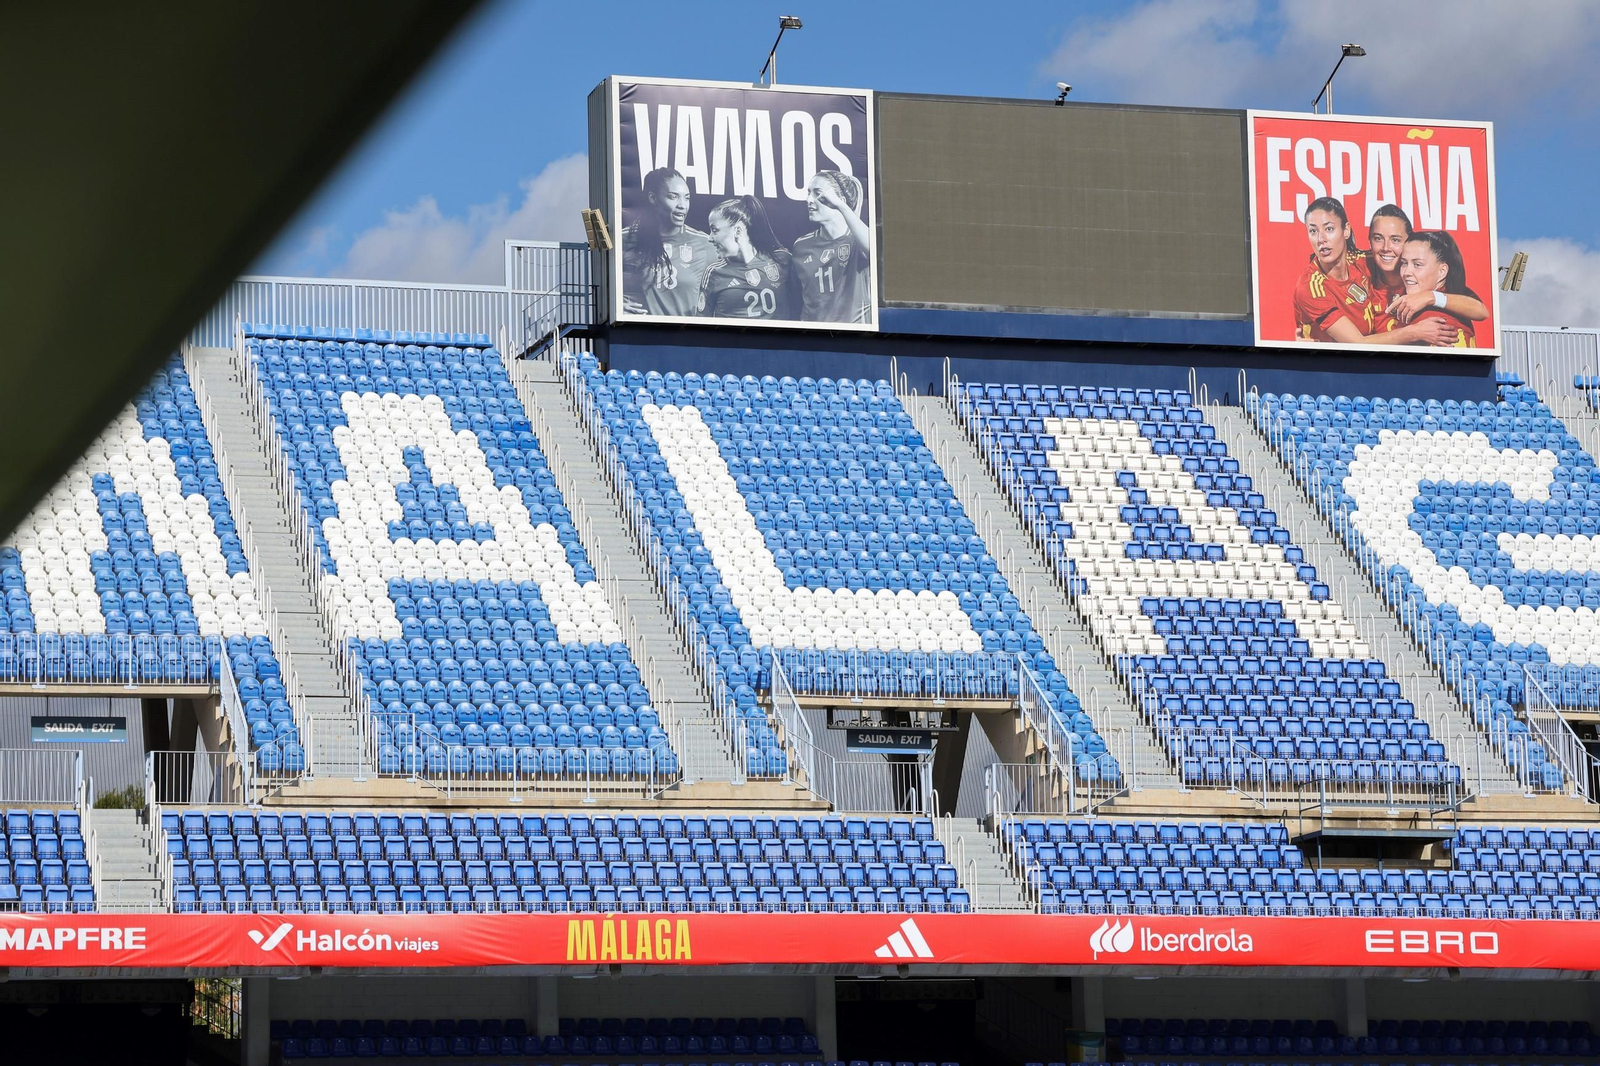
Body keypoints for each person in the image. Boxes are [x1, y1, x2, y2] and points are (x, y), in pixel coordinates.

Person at [1291, 197, 1454, 346]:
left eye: (1329, 229)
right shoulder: (1310, 288)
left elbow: (1477, 307)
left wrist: (1431, 296)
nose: (1321, 239)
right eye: (1313, 231)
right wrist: (1416, 332)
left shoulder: (1363, 262)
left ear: (1346, 230)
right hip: (1326, 367)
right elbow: (1356, 343)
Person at [1365, 203, 1488, 327]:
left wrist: (1431, 297)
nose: (1386, 248)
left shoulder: (1425, 280)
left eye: (1395, 240)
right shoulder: (1362, 270)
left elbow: (1481, 310)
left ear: (1408, 241)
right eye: (1378, 238)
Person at [620, 167, 717, 318]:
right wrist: (614, 305)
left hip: (685, 337)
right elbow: (602, 287)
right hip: (636, 336)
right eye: (673, 197)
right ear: (653, 198)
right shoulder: (623, 240)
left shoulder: (705, 244)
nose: (682, 205)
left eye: (686, 198)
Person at [790, 170, 873, 324]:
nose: (809, 200)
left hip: (853, 337)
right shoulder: (801, 246)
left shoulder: (858, 239)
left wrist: (842, 206)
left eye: (817, 194)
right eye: (808, 193)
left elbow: (876, 253)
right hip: (814, 337)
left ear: (838, 200)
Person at [702, 196, 795, 320]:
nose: (710, 238)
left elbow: (800, 307)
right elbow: (702, 323)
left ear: (738, 231)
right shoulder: (714, 273)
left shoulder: (782, 260)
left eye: (715, 230)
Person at [1393, 230, 1483, 348]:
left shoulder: (1433, 319)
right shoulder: (1454, 304)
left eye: (1417, 264)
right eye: (1404, 263)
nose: (1407, 272)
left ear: (1442, 271)